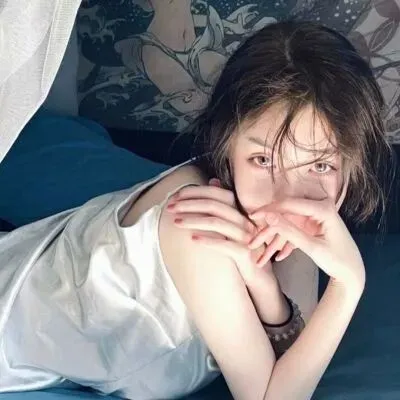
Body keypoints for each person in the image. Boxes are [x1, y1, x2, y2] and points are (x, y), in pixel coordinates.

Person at [0, 21, 391, 400]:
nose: (284, 199)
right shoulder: (198, 232)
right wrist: (347, 285)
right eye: (262, 160)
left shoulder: (300, 219)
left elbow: (291, 355)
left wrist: (266, 292)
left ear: (351, 169)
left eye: (320, 165)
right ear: (226, 150)